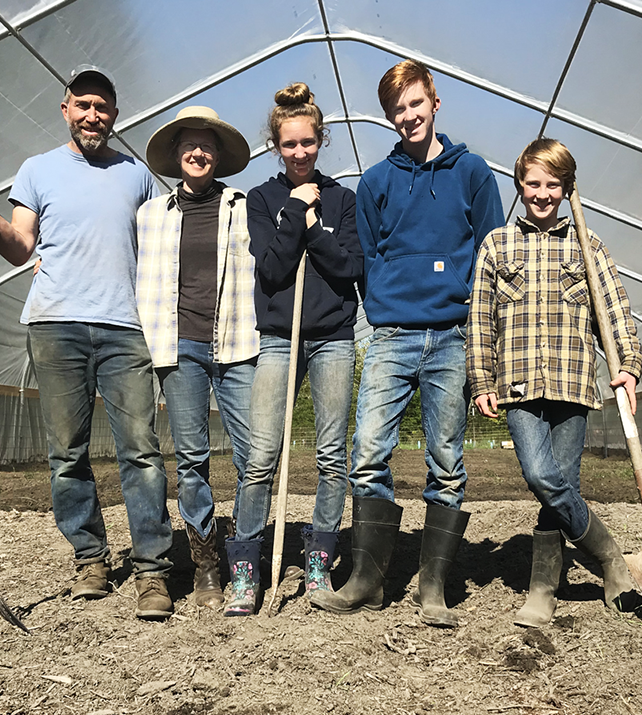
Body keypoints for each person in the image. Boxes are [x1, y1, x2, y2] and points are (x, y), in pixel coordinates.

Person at [0, 65, 175, 619]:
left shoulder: (137, 175)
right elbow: (20, 246)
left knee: (140, 451)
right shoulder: (37, 170)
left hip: (125, 326)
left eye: (104, 108)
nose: (94, 115)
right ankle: (91, 559)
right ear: (66, 108)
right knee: (66, 454)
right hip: (55, 324)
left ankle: (152, 571)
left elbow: (162, 248)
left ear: (115, 117)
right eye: (84, 105)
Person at [311, 60, 504, 628]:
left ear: (435, 102)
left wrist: (475, 328)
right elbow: (368, 258)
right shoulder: (375, 182)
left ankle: (434, 587)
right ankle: (367, 581)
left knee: (447, 462)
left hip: (450, 336)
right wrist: (390, 306)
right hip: (393, 336)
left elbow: (491, 253)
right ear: (388, 116)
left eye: (416, 104)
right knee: (367, 454)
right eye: (398, 109)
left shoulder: (471, 172)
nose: (408, 116)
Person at [467, 137, 642, 627]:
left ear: (567, 189)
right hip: (519, 383)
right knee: (541, 476)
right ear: (519, 184)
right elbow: (480, 319)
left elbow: (614, 309)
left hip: (573, 381)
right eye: (532, 183)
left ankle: (544, 586)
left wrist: (626, 364)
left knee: (561, 485)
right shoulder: (498, 245)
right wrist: (482, 379)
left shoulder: (588, 246)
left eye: (553, 184)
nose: (541, 194)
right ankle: (610, 558)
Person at [224, 83, 363, 616]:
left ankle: (318, 564)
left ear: (321, 140)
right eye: (289, 145)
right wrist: (292, 212)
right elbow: (272, 267)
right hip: (279, 338)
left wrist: (311, 223)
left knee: (332, 457)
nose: (300, 153)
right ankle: (245, 570)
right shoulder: (260, 199)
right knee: (260, 457)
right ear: (276, 146)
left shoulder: (344, 200)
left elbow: (350, 268)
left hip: (331, 337)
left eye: (308, 142)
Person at [135, 106, 258, 611]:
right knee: (192, 460)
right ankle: (207, 564)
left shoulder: (243, 207)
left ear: (219, 156)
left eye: (207, 145)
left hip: (236, 341)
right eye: (189, 144)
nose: (198, 152)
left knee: (256, 455)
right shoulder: (150, 216)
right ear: (177, 155)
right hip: (177, 345)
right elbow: (118, 263)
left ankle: (246, 552)